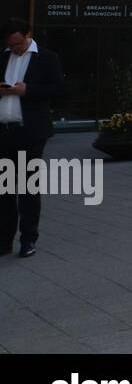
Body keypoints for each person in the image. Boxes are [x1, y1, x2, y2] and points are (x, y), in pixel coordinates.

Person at [0, 18, 66, 259]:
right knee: (4, 190)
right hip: (3, 132)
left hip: (31, 133)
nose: (14, 48)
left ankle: (28, 239)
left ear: (28, 34)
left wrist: (26, 90)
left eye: (17, 43)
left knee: (28, 188)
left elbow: (58, 89)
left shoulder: (46, 57)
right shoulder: (3, 56)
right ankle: (4, 240)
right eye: (10, 44)